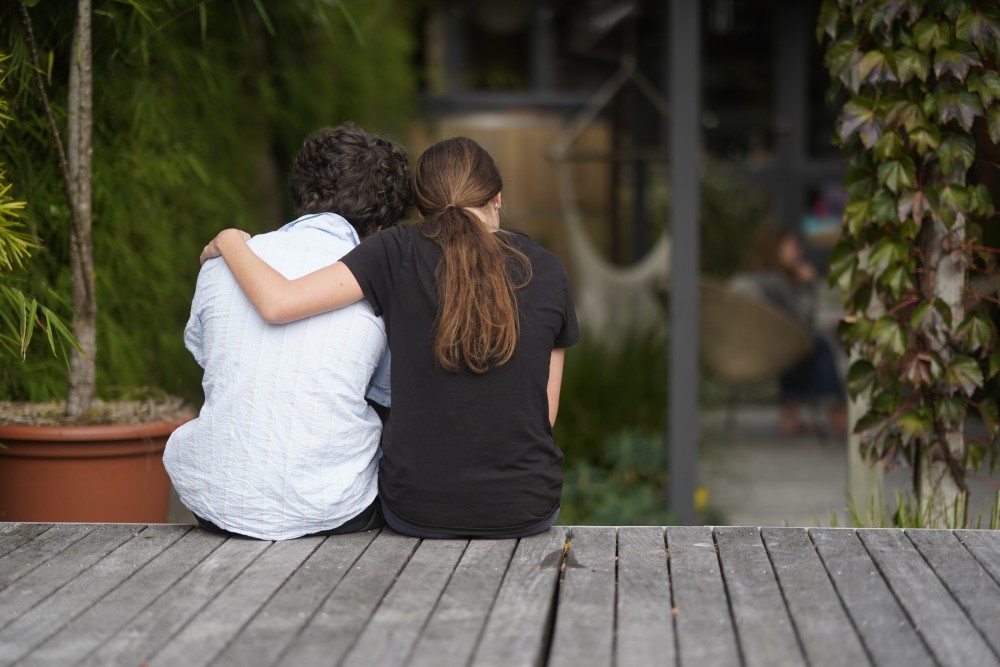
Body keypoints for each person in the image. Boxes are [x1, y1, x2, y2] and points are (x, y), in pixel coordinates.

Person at [199, 136, 579, 539]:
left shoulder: (395, 249)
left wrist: (229, 241)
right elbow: (542, 416)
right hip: (526, 508)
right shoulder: (548, 269)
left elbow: (278, 303)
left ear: (422, 209)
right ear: (497, 198)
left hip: (415, 509)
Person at [165, 123, 414, 540]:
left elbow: (217, 364)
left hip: (217, 502)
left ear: (302, 190)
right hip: (336, 511)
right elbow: (386, 394)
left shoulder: (222, 262)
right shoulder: (380, 282)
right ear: (381, 228)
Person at [730, 226, 847, 437]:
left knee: (801, 345)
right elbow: (804, 322)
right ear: (774, 249)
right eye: (792, 246)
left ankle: (790, 415)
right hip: (765, 351)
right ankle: (835, 412)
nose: (798, 251)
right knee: (816, 343)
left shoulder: (765, 280)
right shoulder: (774, 282)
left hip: (763, 349)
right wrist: (809, 286)